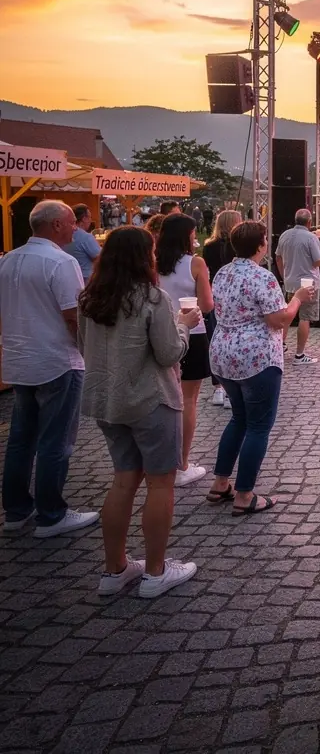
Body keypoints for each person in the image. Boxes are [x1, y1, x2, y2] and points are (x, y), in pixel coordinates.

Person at [78, 226, 200, 597]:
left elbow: (82, 345)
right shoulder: (152, 297)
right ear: (144, 256)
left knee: (123, 481)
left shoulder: (89, 298)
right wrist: (184, 326)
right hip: (150, 400)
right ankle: (155, 572)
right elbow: (169, 353)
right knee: (160, 483)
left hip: (108, 401)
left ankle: (114, 569)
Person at [0, 200, 98, 538]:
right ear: (56, 224)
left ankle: (16, 510)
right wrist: (88, 351)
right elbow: (74, 316)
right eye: (72, 222)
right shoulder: (61, 262)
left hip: (19, 360)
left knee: (20, 439)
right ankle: (51, 514)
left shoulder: (8, 260)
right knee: (55, 441)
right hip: (57, 360)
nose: (76, 228)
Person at [208, 220, 312, 514]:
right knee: (258, 426)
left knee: (239, 419)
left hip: (223, 354)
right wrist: (297, 300)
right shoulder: (262, 277)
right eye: (265, 239)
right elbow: (278, 320)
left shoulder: (223, 273)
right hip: (256, 358)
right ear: (260, 245)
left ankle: (220, 483)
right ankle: (244, 495)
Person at [156, 213, 214, 485]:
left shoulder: (151, 262)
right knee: (188, 400)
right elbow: (207, 304)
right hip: (192, 333)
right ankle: (182, 464)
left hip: (158, 332)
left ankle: (158, 460)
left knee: (162, 398)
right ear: (187, 236)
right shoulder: (195, 263)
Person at [275, 208, 320, 364]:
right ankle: (299, 355)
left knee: (287, 315)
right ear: (309, 222)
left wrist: (284, 276)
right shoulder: (311, 238)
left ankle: (279, 346)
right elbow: (318, 262)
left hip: (290, 282)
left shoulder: (285, 235)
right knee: (305, 318)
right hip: (308, 284)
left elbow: (278, 257)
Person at [201, 209, 242, 406]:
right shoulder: (237, 246)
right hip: (235, 296)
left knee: (215, 340)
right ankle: (232, 389)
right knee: (234, 340)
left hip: (215, 293)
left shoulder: (209, 246)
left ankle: (218, 388)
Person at [64, 203, 101, 282]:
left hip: (68, 277)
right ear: (84, 218)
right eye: (90, 217)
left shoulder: (64, 234)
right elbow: (100, 258)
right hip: (86, 280)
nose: (90, 220)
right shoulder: (85, 237)